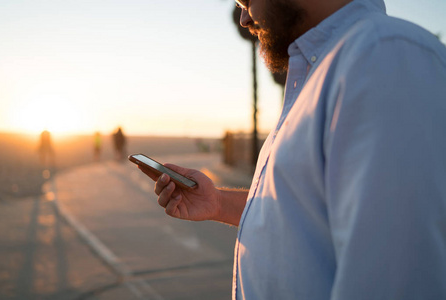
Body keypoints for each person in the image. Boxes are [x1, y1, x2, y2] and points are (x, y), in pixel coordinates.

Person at [139, 0, 446, 299]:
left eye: (245, 1)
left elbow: (394, 283)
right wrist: (218, 202)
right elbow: (304, 210)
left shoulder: (383, 56)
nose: (245, 19)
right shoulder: (325, 71)